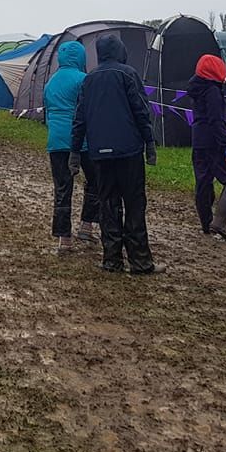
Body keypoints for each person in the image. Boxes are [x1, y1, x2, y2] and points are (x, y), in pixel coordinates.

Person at [69, 35, 160, 275]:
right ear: (120, 51)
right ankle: (140, 262)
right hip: (128, 151)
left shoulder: (89, 80)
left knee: (108, 206)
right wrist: (150, 142)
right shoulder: (128, 74)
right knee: (134, 204)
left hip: (100, 154)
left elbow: (80, 119)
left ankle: (112, 260)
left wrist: (75, 152)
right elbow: (141, 111)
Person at [44, 41, 99, 254]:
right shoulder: (84, 80)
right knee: (94, 182)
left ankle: (64, 239)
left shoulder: (50, 82)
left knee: (62, 188)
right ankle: (87, 225)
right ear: (81, 58)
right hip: (81, 142)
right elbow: (90, 111)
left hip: (56, 142)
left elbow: (48, 112)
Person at [187, 54, 226, 242]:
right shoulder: (212, 91)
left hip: (199, 140)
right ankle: (219, 222)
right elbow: (216, 120)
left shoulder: (197, 88)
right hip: (215, 143)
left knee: (203, 181)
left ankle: (206, 223)